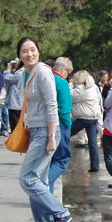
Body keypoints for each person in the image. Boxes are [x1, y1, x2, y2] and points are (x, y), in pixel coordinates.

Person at [15, 37, 71, 222]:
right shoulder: (26, 74)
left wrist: (51, 137)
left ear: (39, 51)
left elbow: (51, 105)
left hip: (46, 131)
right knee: (39, 179)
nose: (29, 54)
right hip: (35, 130)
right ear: (19, 55)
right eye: (24, 51)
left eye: (32, 50)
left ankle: (60, 212)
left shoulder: (43, 72)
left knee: (27, 178)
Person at [48, 56, 74, 193]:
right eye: (68, 72)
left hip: (44, 124)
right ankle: (45, 185)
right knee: (62, 160)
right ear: (64, 70)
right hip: (59, 124)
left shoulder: (46, 79)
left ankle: (48, 195)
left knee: (49, 160)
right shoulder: (62, 83)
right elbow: (64, 109)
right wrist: (68, 125)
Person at [71, 70, 104, 173]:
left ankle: (61, 157)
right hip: (94, 117)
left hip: (84, 117)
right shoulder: (94, 87)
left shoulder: (81, 88)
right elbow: (99, 99)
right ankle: (95, 165)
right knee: (92, 142)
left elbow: (70, 96)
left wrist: (70, 84)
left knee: (66, 134)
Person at [3, 58, 24, 132]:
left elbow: (6, 78)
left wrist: (8, 69)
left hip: (15, 104)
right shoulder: (22, 72)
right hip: (20, 104)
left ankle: (16, 143)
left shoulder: (19, 73)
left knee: (15, 128)